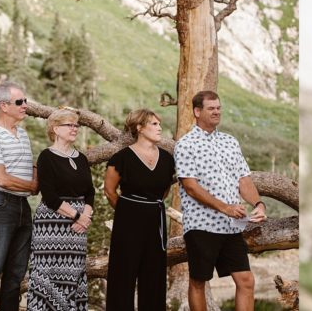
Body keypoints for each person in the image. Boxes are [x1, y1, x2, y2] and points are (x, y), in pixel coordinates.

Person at [175, 91, 267, 311]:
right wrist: (225, 208)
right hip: (201, 225)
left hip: (231, 227)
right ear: (197, 112)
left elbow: (243, 180)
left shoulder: (230, 142)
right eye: (211, 108)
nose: (217, 112)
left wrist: (259, 204)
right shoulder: (186, 144)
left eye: (219, 108)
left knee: (246, 280)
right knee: (199, 281)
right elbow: (190, 186)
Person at [104, 109, 176, 310]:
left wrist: (146, 209)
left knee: (154, 276)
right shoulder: (121, 158)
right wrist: (130, 212)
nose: (159, 128)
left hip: (156, 220)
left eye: (159, 124)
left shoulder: (168, 160)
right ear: (139, 128)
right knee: (123, 275)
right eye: (154, 124)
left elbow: (164, 192)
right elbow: (109, 191)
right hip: (127, 222)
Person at [0, 82, 38, 311]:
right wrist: (32, 186)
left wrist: (36, 176)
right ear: (3, 106)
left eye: (25, 101)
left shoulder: (22, 133)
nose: (25, 106)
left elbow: (29, 165)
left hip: (21, 205)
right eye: (19, 102)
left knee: (16, 273)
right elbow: (0, 178)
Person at [27, 108, 93, 311]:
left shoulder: (81, 158)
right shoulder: (46, 157)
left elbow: (90, 192)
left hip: (78, 227)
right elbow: (49, 196)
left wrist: (86, 216)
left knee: (74, 274)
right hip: (52, 225)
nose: (75, 129)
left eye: (76, 125)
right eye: (69, 125)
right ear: (56, 129)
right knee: (47, 274)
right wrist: (77, 216)